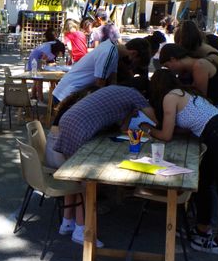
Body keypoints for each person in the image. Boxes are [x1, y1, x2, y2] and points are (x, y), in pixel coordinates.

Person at [142, 69, 218, 256]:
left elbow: (165, 135)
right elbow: (183, 127)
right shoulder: (184, 94)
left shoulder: (170, 97)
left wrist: (147, 129)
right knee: (203, 183)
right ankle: (202, 229)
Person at [51, 85, 155, 246]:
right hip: (79, 127)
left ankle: (67, 222)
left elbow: (122, 128)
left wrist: (129, 114)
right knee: (86, 183)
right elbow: (154, 120)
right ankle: (82, 230)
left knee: (75, 178)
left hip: (68, 120)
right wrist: (162, 131)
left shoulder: (117, 93)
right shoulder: (136, 95)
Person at [159, 44, 218, 136]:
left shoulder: (200, 65)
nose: (169, 70)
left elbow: (200, 98)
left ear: (173, 59)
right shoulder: (191, 69)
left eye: (167, 66)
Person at [52, 37, 150, 104]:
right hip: (66, 96)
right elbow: (100, 88)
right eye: (136, 63)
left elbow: (113, 83)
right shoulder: (109, 53)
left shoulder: (113, 50)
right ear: (133, 53)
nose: (133, 67)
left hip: (68, 93)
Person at [26, 30, 65, 101]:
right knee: (39, 79)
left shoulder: (52, 45)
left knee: (36, 79)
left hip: (34, 58)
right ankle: (41, 99)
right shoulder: (50, 49)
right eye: (61, 53)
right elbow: (43, 60)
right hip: (35, 61)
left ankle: (33, 95)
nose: (61, 55)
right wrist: (45, 65)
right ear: (59, 50)